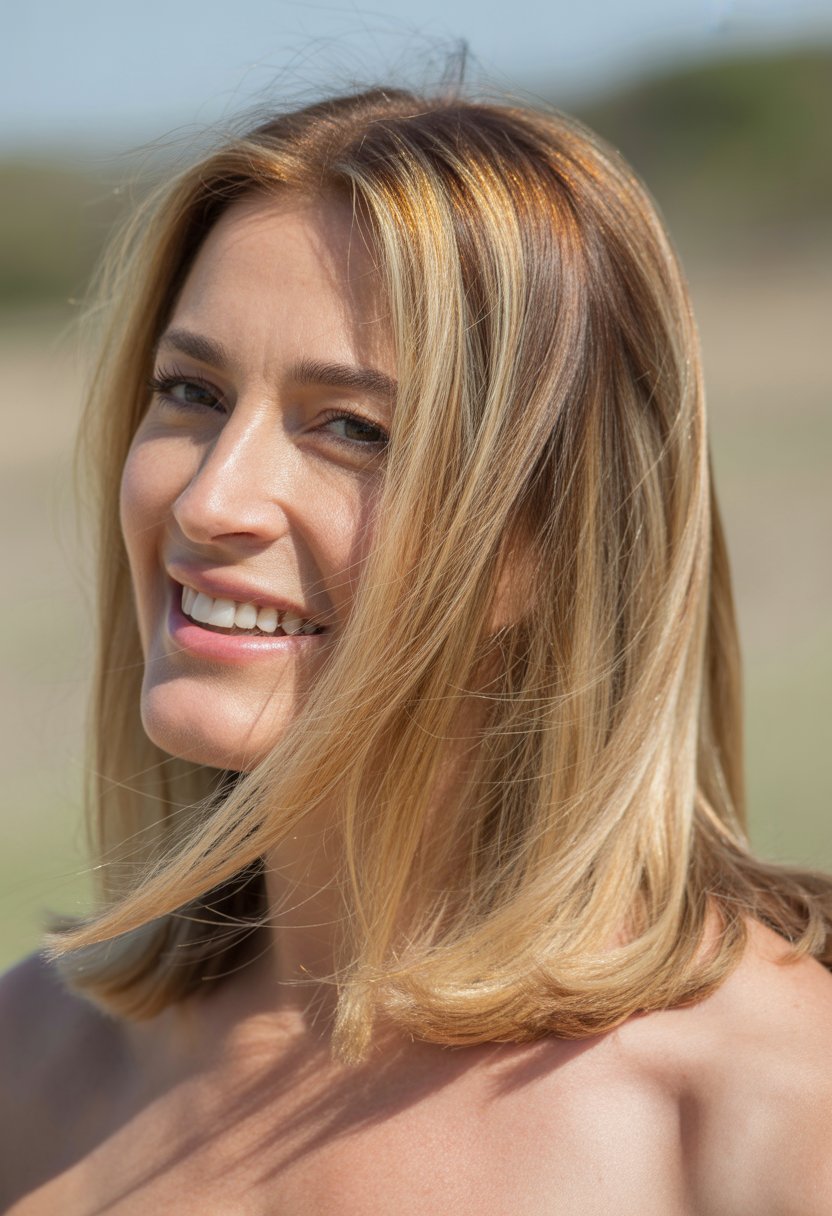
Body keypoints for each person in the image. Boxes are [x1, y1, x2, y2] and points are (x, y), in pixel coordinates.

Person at [2, 84, 831, 1214]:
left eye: (350, 426)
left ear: (552, 536)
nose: (211, 499)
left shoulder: (772, 1103)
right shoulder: (35, 1055)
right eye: (190, 392)